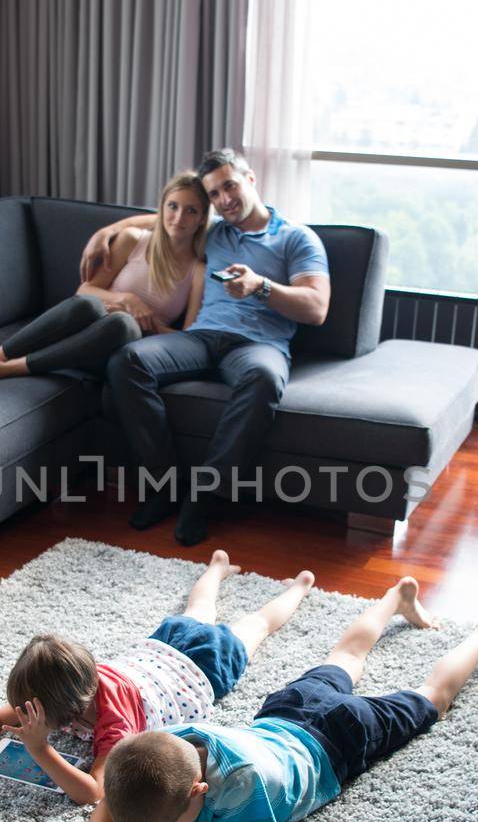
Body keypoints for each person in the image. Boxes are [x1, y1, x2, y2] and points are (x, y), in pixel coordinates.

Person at [72, 577, 478, 822]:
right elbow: (116, 798)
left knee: (430, 699)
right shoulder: (171, 742)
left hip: (341, 739)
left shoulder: (241, 789)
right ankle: (395, 597)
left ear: (200, 790)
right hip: (286, 711)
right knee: (346, 657)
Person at [0, 550, 316, 805]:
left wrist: (42, 750)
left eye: (34, 713)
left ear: (68, 713)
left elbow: (92, 793)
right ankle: (220, 566)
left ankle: (300, 586)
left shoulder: (116, 726)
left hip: (201, 669)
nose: (25, 715)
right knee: (200, 606)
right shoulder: (71, 687)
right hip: (160, 647)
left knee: (257, 625)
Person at [79, 148, 331, 547]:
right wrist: (102, 233)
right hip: (199, 338)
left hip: (257, 345)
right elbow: (159, 217)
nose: (224, 199)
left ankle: (205, 497)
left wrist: (260, 287)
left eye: (229, 186)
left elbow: (316, 308)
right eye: (214, 194)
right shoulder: (212, 228)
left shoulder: (296, 238)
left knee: (264, 378)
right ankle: (164, 486)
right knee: (127, 361)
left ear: (251, 180)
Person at [0, 172, 210, 384]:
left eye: (191, 210)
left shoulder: (197, 270)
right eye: (172, 206)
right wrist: (126, 299)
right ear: (161, 209)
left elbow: (187, 338)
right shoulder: (133, 241)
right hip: (84, 328)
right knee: (88, 304)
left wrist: (146, 321)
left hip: (120, 346)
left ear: (202, 219)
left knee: (123, 325)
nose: (178, 217)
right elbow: (85, 290)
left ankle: (7, 370)